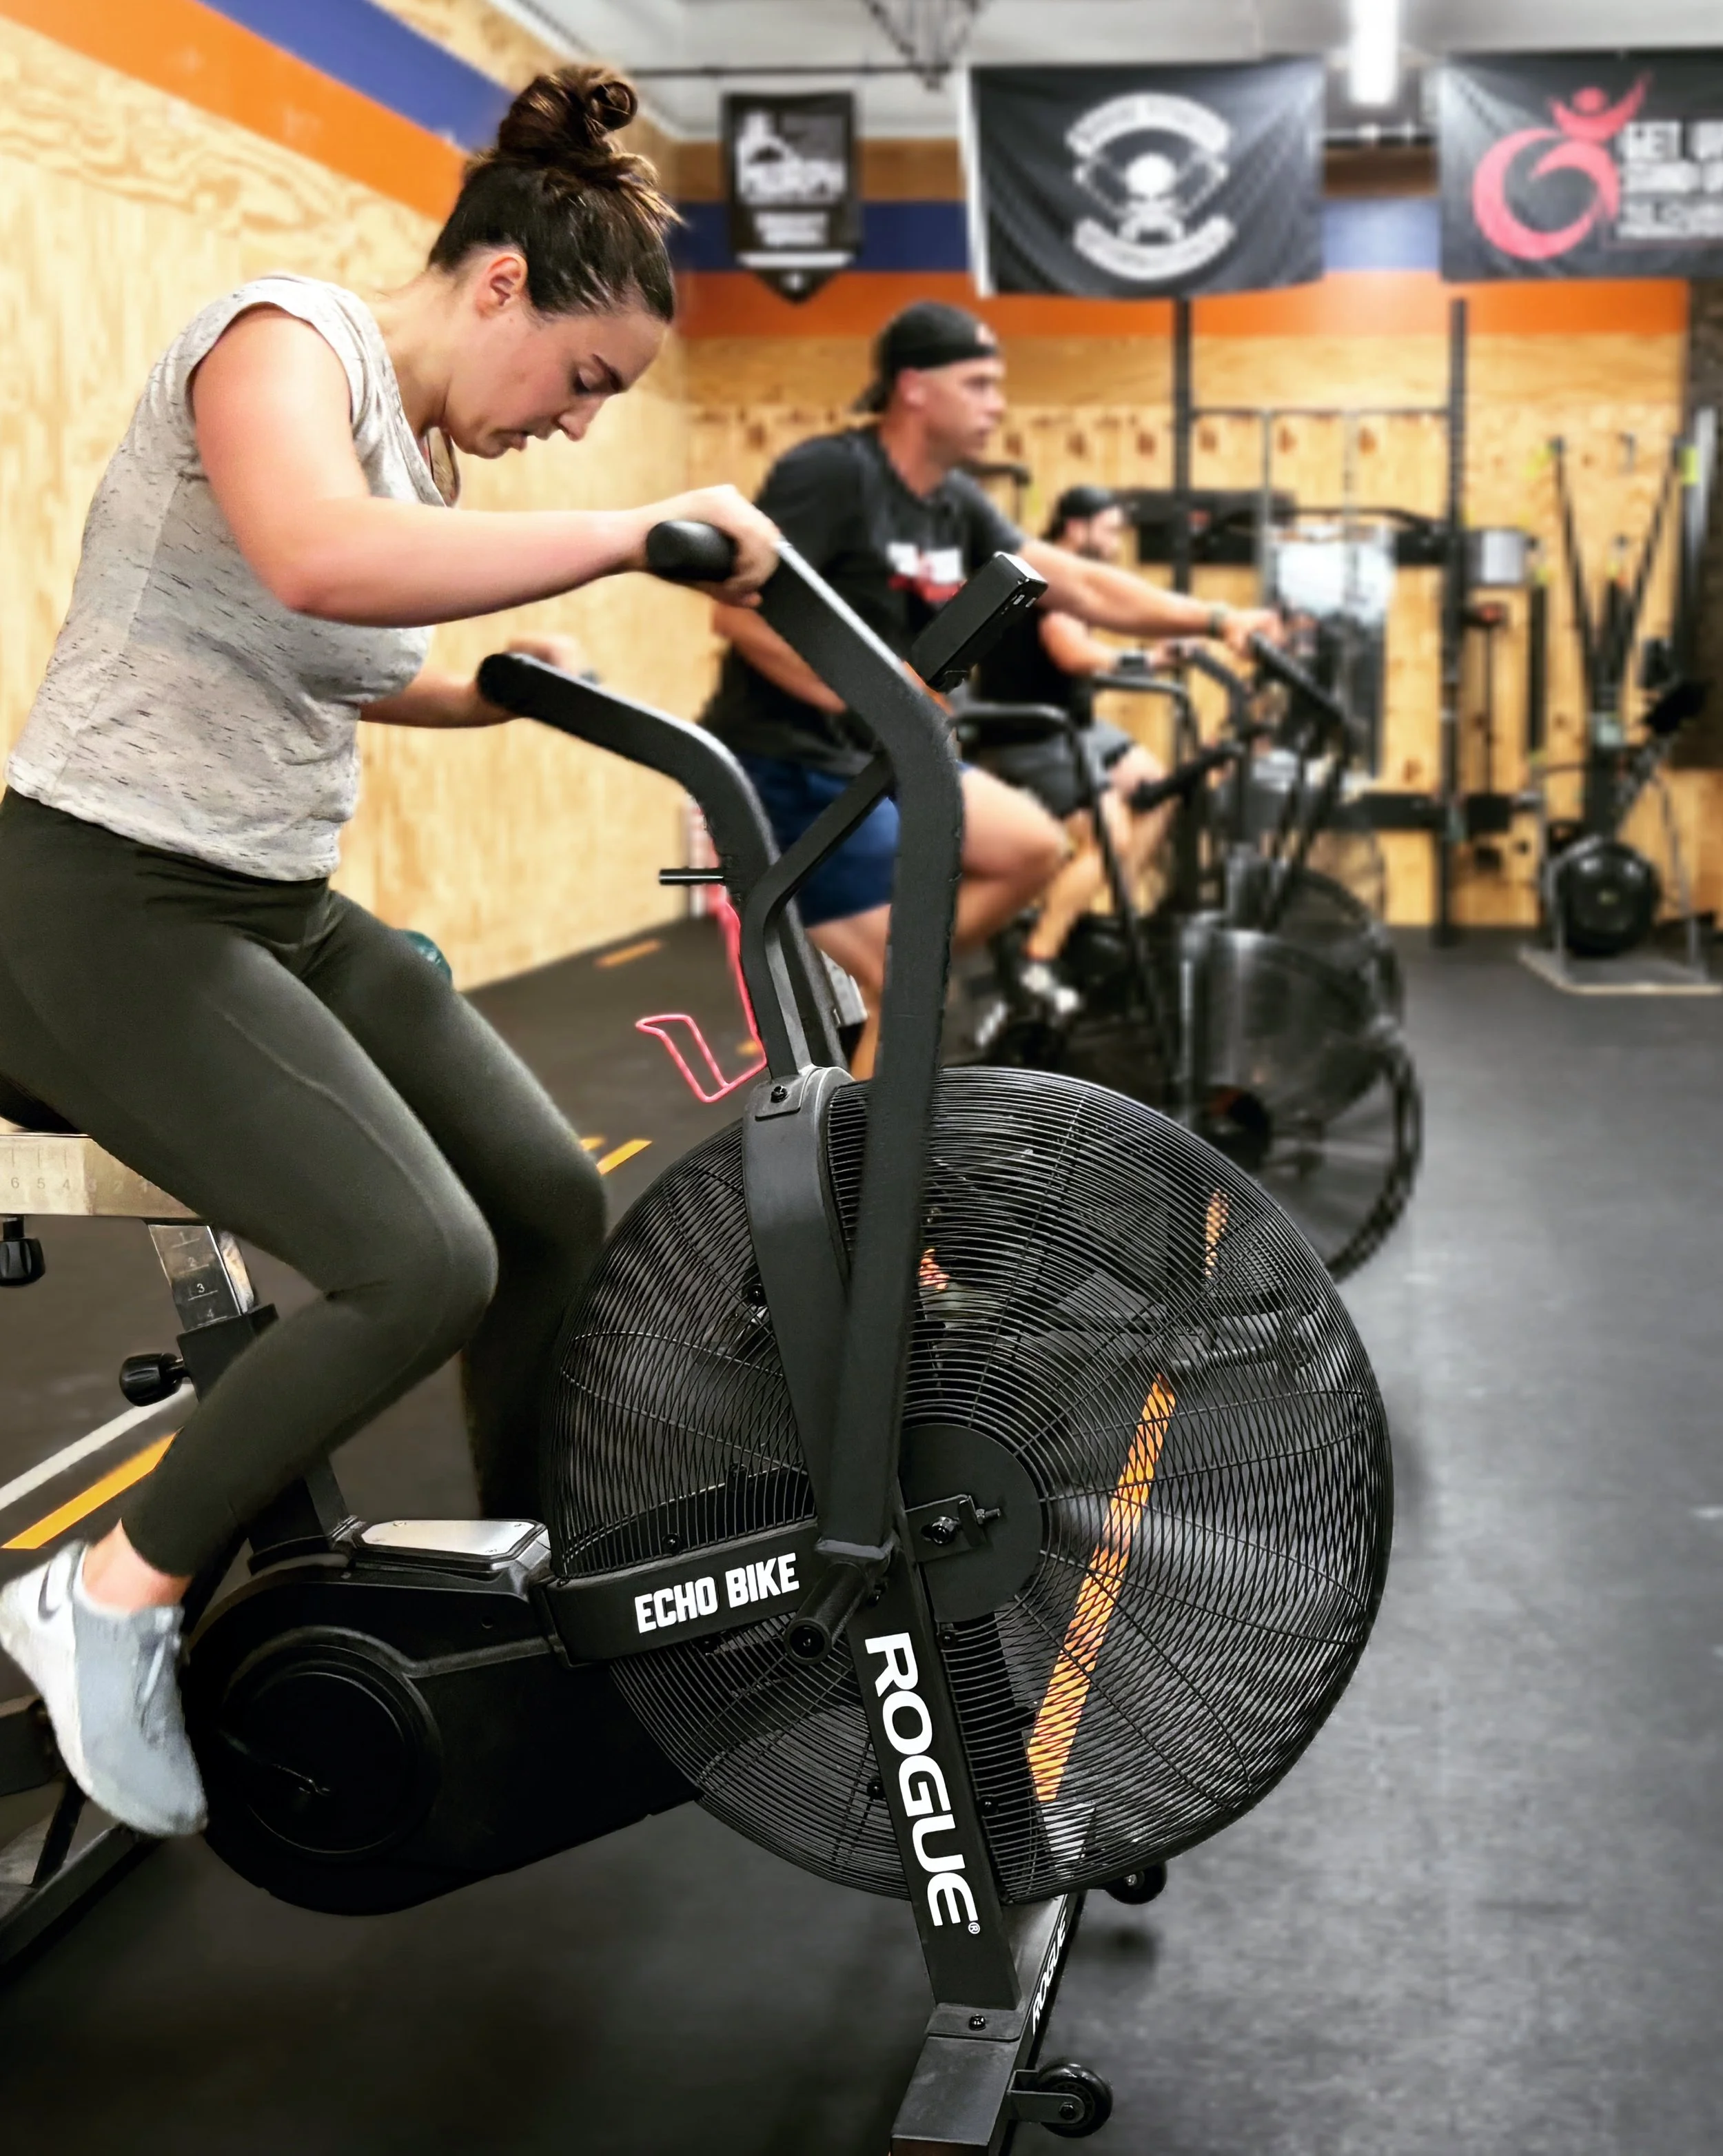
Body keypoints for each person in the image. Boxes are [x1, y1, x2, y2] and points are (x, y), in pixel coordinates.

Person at [0, 67, 779, 1842]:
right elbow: (319, 559)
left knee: (544, 1203)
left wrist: (511, 687)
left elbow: (344, 646)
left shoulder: (408, 448)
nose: (580, 428)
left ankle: (538, 1591)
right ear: (500, 283)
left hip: (266, 893)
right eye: (586, 383)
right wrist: (634, 536)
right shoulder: (280, 340)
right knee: (414, 1259)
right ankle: (101, 1590)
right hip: (94, 895)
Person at [701, 302, 1276, 1075]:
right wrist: (874, 693)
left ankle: (898, 997)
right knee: (906, 983)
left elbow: (1079, 583)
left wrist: (1216, 618)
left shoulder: (953, 503)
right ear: (912, 387)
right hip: (790, 761)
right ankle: (857, 1175)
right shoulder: (836, 473)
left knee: (1033, 848)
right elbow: (738, 618)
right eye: (977, 384)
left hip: (890, 756)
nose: (996, 405)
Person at [969, 482, 1183, 1001]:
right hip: (1026, 731)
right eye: (1108, 531)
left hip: (1072, 722)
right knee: (1109, 832)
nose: (1114, 542)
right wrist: (1148, 661)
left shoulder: (1066, 577)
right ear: (1076, 528)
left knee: (1157, 784)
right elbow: (1072, 655)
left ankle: (1111, 920)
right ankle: (1037, 958)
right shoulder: (1050, 580)